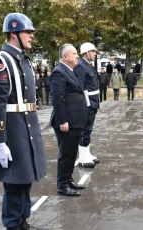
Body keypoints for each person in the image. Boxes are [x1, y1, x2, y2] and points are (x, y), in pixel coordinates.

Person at [0, 13, 47, 230]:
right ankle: (13, 225)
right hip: (13, 130)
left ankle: (22, 222)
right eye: (27, 32)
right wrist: (0, 142)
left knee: (26, 178)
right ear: (13, 34)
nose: (31, 36)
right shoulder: (2, 61)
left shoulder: (23, 59)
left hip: (27, 125)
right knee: (14, 183)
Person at [50, 44, 88, 196]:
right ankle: (62, 185)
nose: (77, 56)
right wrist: (62, 121)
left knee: (72, 153)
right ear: (65, 57)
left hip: (74, 121)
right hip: (66, 122)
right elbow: (57, 99)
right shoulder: (59, 72)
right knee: (66, 154)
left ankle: (68, 179)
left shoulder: (70, 71)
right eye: (74, 53)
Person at [73, 42, 100, 168]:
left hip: (93, 101)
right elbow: (80, 87)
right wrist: (85, 104)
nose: (95, 54)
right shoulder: (81, 67)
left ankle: (87, 154)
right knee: (84, 130)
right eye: (93, 51)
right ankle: (82, 158)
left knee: (88, 130)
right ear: (86, 53)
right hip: (88, 103)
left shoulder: (88, 66)